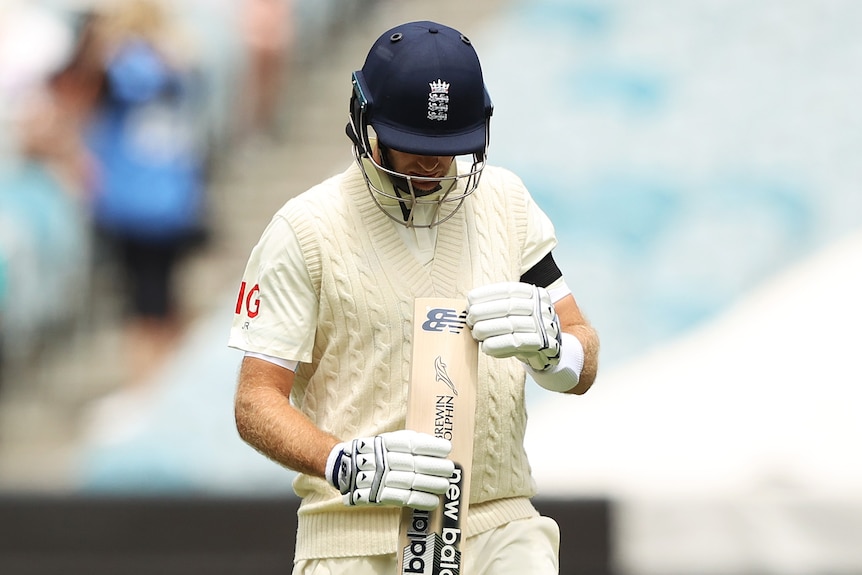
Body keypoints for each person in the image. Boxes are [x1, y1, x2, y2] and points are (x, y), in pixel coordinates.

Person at [229, 20, 600, 574]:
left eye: (449, 148)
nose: (431, 165)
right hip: (355, 535)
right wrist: (341, 462)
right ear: (366, 124)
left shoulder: (507, 202)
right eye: (412, 146)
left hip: (498, 526)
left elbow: (583, 353)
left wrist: (557, 353)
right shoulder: (304, 229)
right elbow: (255, 401)